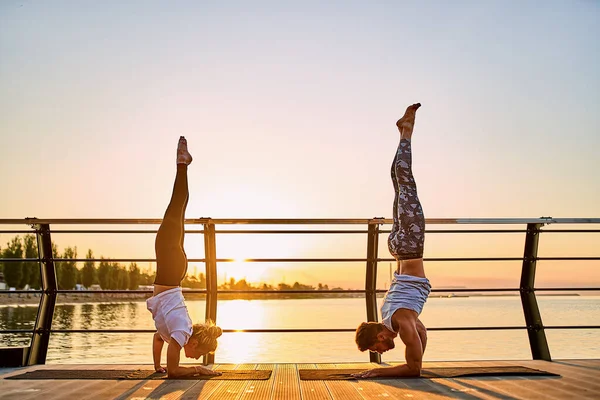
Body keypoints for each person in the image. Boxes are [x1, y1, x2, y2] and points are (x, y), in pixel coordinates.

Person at [353, 103, 431, 378]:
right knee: (400, 183)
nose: (381, 351)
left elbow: (415, 369)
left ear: (379, 335)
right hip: (399, 249)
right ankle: (403, 132)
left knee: (405, 181)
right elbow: (421, 338)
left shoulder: (401, 320)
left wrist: (377, 373)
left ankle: (406, 132)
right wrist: (414, 343)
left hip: (409, 247)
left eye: (377, 347)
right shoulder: (397, 320)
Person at [146, 136, 223, 378]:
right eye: (198, 355)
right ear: (195, 343)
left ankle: (183, 164)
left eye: (199, 360)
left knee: (177, 210)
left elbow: (158, 338)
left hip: (173, 271)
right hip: (170, 271)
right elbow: (174, 372)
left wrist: (156, 366)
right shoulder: (180, 332)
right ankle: (182, 164)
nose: (195, 358)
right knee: (176, 207)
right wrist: (197, 369)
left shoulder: (174, 333)